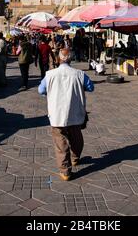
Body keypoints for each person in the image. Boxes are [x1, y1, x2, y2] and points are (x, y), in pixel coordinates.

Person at [38, 48, 94, 181]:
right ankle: (75, 158)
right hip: (75, 113)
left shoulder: (50, 74)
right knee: (76, 137)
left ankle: (65, 171)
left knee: (60, 142)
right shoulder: (80, 74)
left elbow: (41, 90)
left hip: (57, 114)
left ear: (58, 59)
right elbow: (91, 87)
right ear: (70, 59)